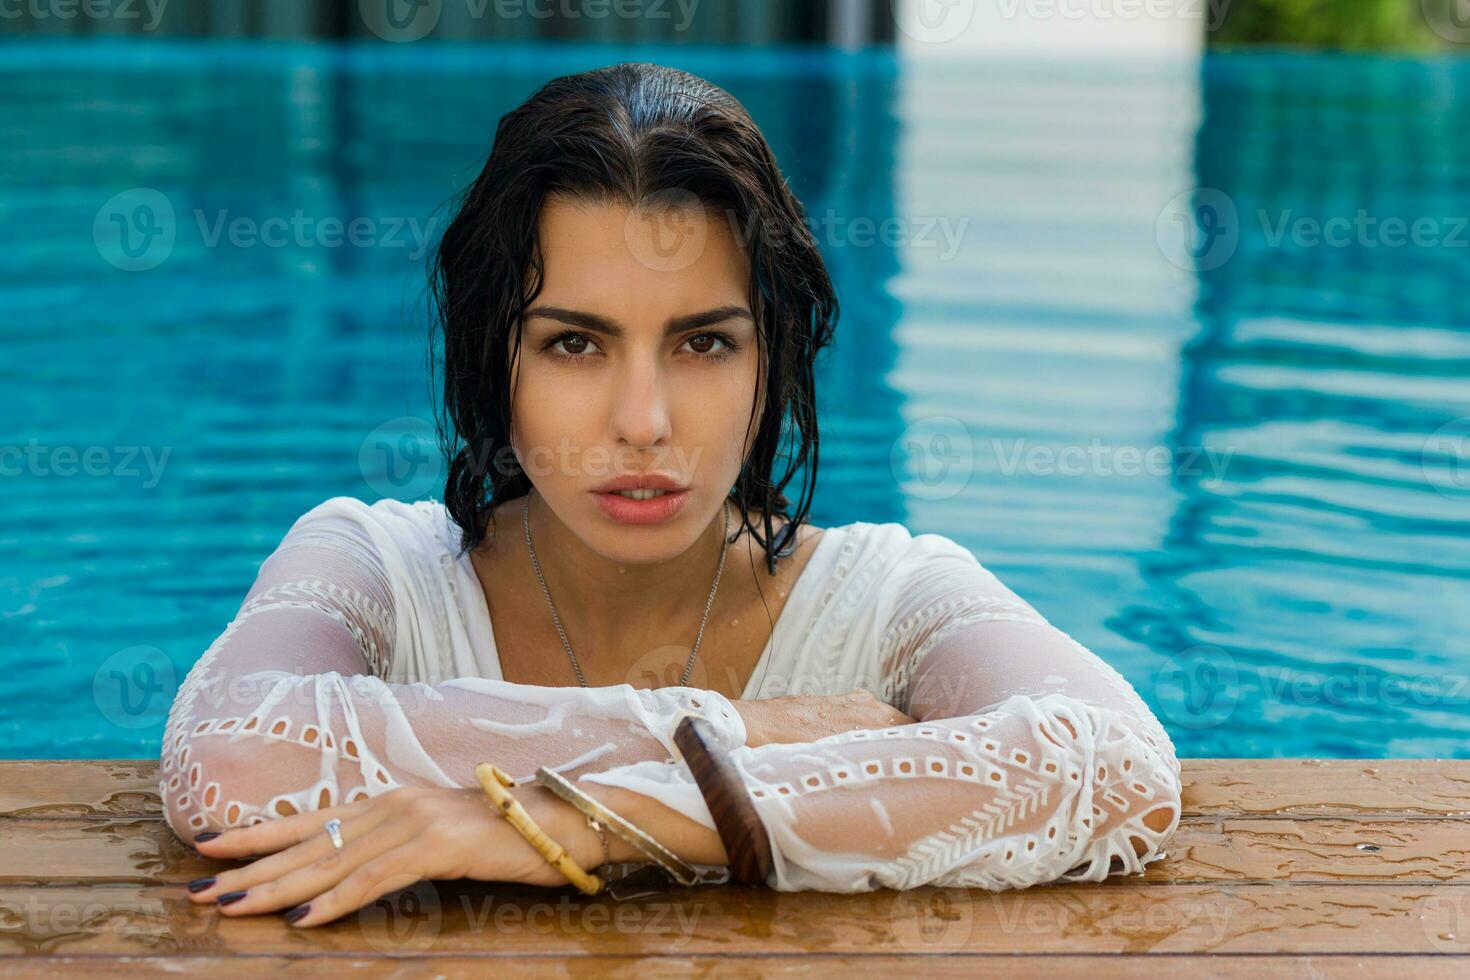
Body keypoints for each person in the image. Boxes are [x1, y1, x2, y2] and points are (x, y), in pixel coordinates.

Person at [160, 62, 1181, 928]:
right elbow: (232, 755)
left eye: (703, 342)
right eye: (574, 342)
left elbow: (1118, 766)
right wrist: (756, 730)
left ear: (768, 359)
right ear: (493, 361)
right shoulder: (374, 566)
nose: (643, 419)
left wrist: (580, 819)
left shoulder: (881, 596)